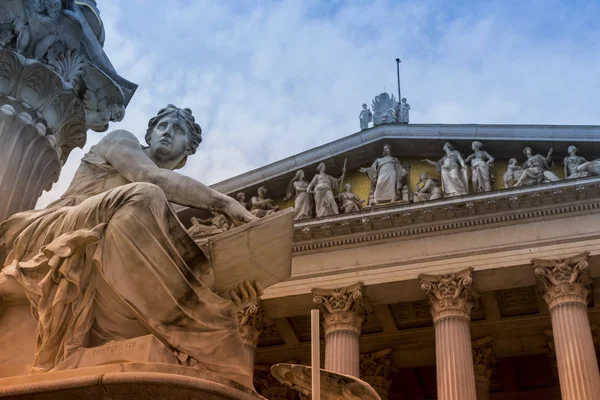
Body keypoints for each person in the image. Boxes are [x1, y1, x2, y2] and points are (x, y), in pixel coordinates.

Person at [0, 105, 257, 389]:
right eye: (162, 126)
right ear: (149, 132)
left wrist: (233, 295)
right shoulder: (121, 142)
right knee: (146, 194)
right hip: (54, 228)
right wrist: (225, 203)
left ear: (188, 153)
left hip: (109, 241)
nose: (168, 132)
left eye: (178, 130)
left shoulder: (152, 217)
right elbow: (151, 179)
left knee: (215, 305)